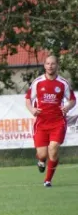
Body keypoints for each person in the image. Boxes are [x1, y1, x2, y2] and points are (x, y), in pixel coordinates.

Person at [25, 55, 76, 187]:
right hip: (41, 123)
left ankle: (48, 180)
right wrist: (32, 110)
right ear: (44, 65)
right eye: (48, 64)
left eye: (53, 64)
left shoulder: (63, 83)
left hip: (58, 122)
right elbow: (27, 99)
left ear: (56, 65)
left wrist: (67, 107)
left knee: (53, 149)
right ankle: (41, 161)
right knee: (42, 154)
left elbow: (72, 100)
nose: (50, 66)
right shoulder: (38, 82)